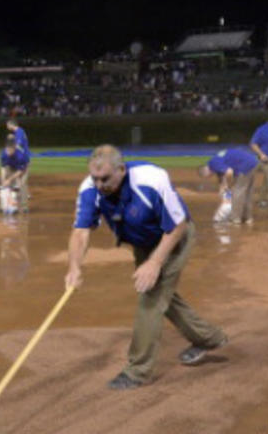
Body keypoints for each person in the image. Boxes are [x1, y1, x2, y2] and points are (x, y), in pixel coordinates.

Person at [65, 145, 228, 390]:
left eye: (105, 178)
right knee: (164, 296)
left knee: (150, 297)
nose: (99, 184)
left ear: (121, 169)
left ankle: (138, 371)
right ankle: (209, 338)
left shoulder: (151, 180)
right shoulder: (89, 189)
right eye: (95, 178)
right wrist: (74, 267)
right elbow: (80, 232)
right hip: (142, 242)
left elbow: (177, 226)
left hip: (173, 238)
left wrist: (155, 262)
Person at [198, 148, 258, 225]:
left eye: (208, 176)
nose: (210, 177)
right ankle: (248, 218)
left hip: (244, 166)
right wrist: (222, 187)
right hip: (252, 162)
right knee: (247, 193)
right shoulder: (213, 162)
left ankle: (235, 219)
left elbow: (229, 172)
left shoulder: (214, 164)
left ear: (206, 172)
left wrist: (229, 186)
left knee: (237, 192)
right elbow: (222, 177)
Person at [0, 134, 31, 212]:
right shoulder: (3, 154)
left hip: (23, 168)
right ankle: (4, 205)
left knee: (22, 184)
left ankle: (24, 206)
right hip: (11, 166)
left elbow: (20, 171)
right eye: (7, 150)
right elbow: (3, 168)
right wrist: (4, 180)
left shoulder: (20, 155)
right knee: (6, 184)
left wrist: (10, 179)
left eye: (10, 150)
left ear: (14, 149)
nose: (8, 152)